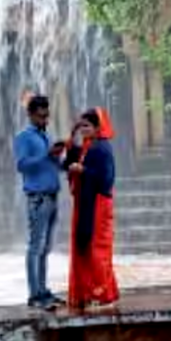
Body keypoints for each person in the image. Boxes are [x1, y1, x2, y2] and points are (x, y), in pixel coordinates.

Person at [13, 93, 67, 309]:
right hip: (38, 198)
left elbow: (51, 163)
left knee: (45, 247)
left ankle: (43, 291)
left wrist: (65, 161)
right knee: (35, 247)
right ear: (30, 115)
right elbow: (22, 165)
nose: (44, 120)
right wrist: (47, 154)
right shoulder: (24, 137)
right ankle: (34, 295)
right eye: (40, 117)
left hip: (52, 196)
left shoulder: (45, 136)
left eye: (46, 116)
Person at [64, 107, 120, 311]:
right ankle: (92, 293)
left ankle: (101, 295)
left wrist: (83, 170)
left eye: (87, 126)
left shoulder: (101, 148)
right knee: (87, 248)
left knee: (97, 249)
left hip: (97, 204)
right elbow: (68, 160)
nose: (84, 130)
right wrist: (72, 134)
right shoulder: (89, 147)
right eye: (82, 127)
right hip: (88, 202)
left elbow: (106, 178)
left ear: (98, 127)